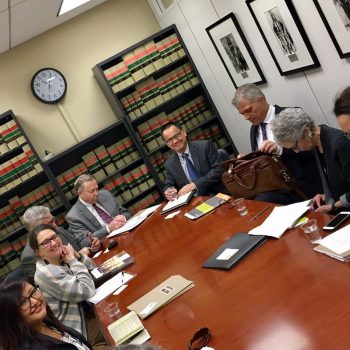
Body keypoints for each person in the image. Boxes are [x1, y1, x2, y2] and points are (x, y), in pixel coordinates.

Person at [232, 84, 323, 204]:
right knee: (256, 204)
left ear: (261, 100)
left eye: (248, 110)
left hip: (305, 185)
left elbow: (313, 150)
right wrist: (248, 161)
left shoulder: (291, 115)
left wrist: (280, 149)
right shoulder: (254, 129)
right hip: (276, 188)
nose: (246, 117)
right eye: (242, 114)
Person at [29, 224, 108, 349]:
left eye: (54, 237)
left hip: (90, 308)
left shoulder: (60, 257)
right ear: (38, 252)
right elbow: (87, 291)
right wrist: (72, 261)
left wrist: (78, 256)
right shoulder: (46, 273)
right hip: (82, 328)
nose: (54, 243)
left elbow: (93, 268)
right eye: (46, 242)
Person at [270, 107, 350, 213]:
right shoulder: (317, 143)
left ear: (306, 131)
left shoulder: (340, 144)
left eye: (295, 147)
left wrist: (333, 206)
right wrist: (327, 195)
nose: (296, 152)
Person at [0, 278, 92, 350]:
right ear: (10, 315)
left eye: (33, 292)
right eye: (23, 302)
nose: (35, 301)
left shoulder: (44, 321)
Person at [20, 206, 101, 280]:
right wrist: (74, 258)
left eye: (53, 220)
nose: (55, 225)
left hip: (91, 271)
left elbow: (76, 243)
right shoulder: (28, 257)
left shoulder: (56, 230)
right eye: (49, 224)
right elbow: (51, 282)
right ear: (34, 230)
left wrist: (90, 242)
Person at [161, 122, 226, 200]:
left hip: (218, 195)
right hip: (194, 202)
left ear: (184, 132)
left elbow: (218, 170)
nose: (175, 141)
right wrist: (168, 191)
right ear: (167, 144)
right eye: (169, 140)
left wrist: (195, 184)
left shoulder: (205, 146)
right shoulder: (169, 164)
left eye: (176, 136)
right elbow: (168, 185)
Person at [66, 174, 132, 247]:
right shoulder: (73, 216)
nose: (96, 193)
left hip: (127, 234)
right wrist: (108, 228)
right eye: (92, 191)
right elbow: (84, 242)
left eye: (97, 189)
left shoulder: (105, 194)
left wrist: (123, 217)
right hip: (107, 246)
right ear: (80, 193)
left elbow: (126, 212)